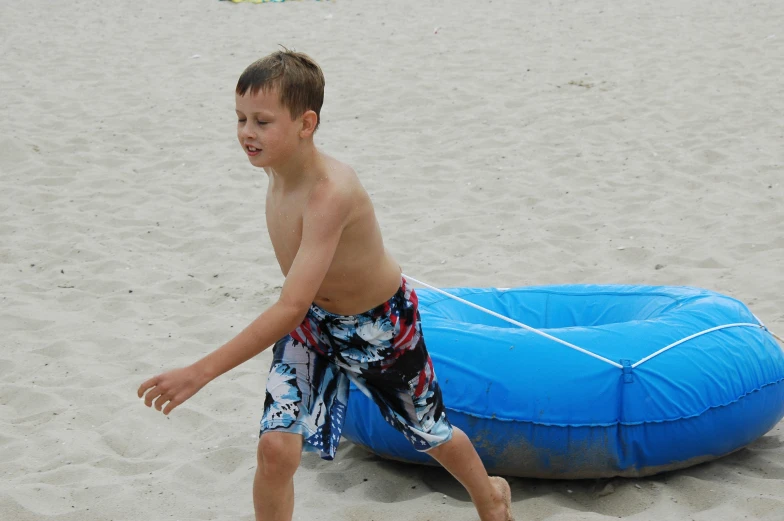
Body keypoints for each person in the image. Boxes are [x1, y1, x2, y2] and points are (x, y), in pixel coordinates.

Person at [137, 49, 513, 521]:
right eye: (240, 119)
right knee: (275, 449)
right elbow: (300, 308)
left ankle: (489, 493)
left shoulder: (329, 191)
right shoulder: (277, 171)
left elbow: (288, 306)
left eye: (262, 121)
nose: (246, 133)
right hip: (313, 325)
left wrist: (200, 372)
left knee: (428, 434)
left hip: (378, 327)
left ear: (305, 123)